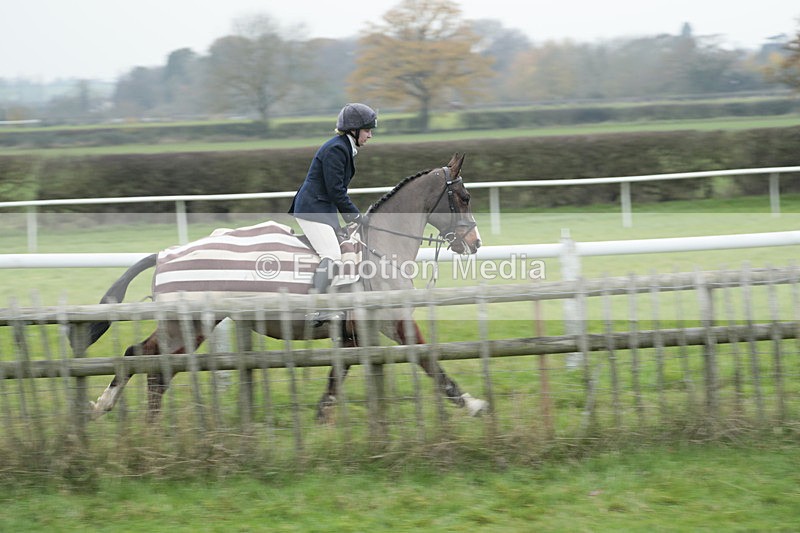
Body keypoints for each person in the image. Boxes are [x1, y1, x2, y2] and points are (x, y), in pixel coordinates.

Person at [289, 103, 378, 323]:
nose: (370, 135)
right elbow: (336, 191)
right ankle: (315, 309)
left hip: (322, 208)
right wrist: (357, 217)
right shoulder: (337, 149)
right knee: (332, 255)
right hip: (311, 209)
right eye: (367, 130)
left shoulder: (344, 147)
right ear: (354, 130)